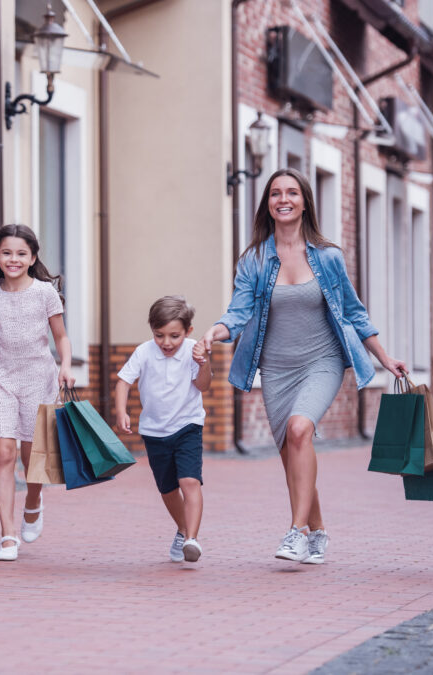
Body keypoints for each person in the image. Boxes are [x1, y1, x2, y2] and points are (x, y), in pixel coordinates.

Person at [193, 168, 406, 564]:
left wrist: (384, 357)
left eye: (292, 192)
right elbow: (237, 314)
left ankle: (297, 531)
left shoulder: (327, 257)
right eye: (276, 193)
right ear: (268, 204)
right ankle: (319, 531)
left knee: (298, 429)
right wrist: (213, 333)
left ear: (305, 201)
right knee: (294, 452)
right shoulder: (254, 260)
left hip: (322, 362)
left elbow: (355, 313)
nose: (283, 199)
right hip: (276, 369)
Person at [0, 224, 74, 561]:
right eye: (6, 253)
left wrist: (65, 364)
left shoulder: (45, 293)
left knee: (31, 457)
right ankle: (8, 535)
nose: (13, 259)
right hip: (1, 378)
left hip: (38, 377)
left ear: (32, 257)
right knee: (3, 452)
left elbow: (61, 337)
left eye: (21, 253)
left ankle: (33, 501)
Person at [115, 296, 213, 563]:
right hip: (154, 431)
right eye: (160, 335)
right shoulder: (144, 352)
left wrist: (205, 362)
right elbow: (123, 382)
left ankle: (192, 539)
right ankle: (182, 529)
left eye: (174, 336)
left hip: (187, 425)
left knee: (189, 481)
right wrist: (121, 411)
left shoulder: (194, 350)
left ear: (188, 331)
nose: (166, 343)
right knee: (168, 488)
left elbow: (203, 386)